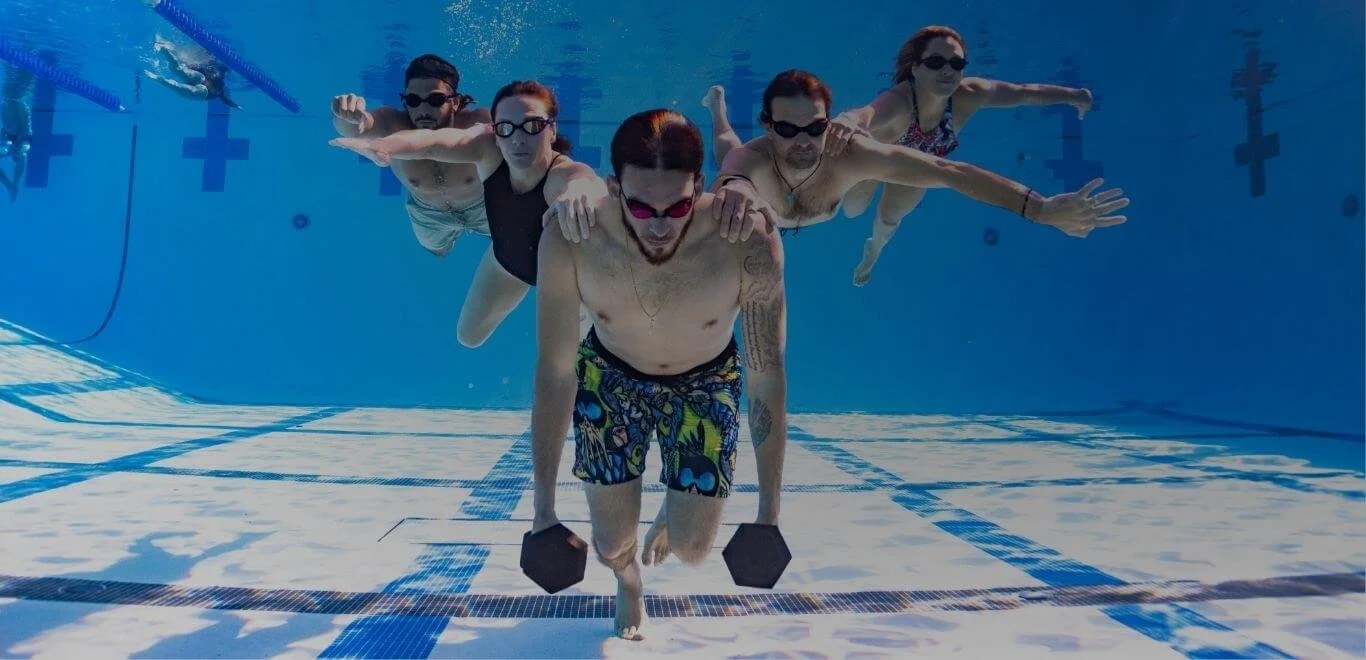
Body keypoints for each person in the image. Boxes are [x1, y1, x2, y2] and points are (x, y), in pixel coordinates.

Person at [528, 109, 788, 641]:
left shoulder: (746, 238)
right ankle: (629, 581)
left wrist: (769, 513)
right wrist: (543, 510)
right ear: (613, 187)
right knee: (610, 546)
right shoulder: (571, 235)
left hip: (705, 383)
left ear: (702, 185)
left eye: (679, 206)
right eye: (641, 207)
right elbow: (555, 370)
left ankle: (675, 502)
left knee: (692, 549)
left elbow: (766, 376)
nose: (660, 226)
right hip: (611, 376)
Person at [703, 69, 1128, 252]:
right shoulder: (751, 160)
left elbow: (949, 172)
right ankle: (717, 108)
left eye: (814, 127)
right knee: (726, 147)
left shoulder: (850, 155)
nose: (802, 141)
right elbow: (733, 176)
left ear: (828, 123)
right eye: (786, 128)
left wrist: (1039, 208)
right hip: (752, 176)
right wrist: (732, 186)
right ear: (768, 125)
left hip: (824, 196)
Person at [330, 79, 598, 345]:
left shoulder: (562, 173)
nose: (518, 138)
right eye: (506, 127)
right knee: (468, 337)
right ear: (495, 131)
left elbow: (581, 177)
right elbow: (432, 141)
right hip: (507, 262)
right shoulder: (488, 150)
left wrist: (581, 188)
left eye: (533, 126)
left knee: (582, 347)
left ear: (552, 130)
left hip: (567, 279)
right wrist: (383, 146)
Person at [828, 26, 1095, 284]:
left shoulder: (970, 94)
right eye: (936, 62)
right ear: (915, 68)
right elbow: (868, 113)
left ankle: (873, 252)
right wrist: (849, 120)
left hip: (920, 167)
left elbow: (1023, 93)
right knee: (853, 210)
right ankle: (857, 189)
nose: (947, 71)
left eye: (957, 64)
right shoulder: (900, 101)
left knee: (890, 217)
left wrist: (1075, 95)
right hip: (878, 162)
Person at [332, 54, 491, 263]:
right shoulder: (392, 123)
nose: (423, 110)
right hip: (428, 214)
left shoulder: (478, 122)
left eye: (435, 100)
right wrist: (346, 116)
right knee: (438, 251)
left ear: (454, 102)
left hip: (483, 206)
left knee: (513, 241)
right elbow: (356, 128)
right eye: (413, 101)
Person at [143, 35, 242, 110]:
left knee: (180, 87)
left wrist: (236, 106)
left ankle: (160, 79)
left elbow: (225, 99)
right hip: (201, 78)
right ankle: (163, 50)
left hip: (205, 93)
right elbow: (191, 66)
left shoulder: (220, 82)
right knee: (179, 70)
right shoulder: (206, 66)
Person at [0, 63, 34, 202]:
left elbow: (5, 133)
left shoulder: (15, 147)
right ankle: (13, 185)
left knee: (11, 81)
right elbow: (23, 150)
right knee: (18, 82)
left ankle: (11, 185)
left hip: (11, 108)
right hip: (16, 107)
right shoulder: (23, 146)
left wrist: (11, 184)